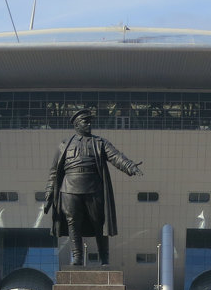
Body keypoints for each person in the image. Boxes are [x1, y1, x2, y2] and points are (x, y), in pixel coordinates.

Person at [43, 108, 143, 266]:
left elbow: (116, 156)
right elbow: (54, 171)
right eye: (85, 121)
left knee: (99, 223)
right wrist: (49, 192)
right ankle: (77, 256)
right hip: (69, 188)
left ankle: (104, 258)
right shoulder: (64, 145)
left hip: (93, 187)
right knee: (72, 222)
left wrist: (130, 166)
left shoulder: (99, 143)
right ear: (76, 124)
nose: (89, 124)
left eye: (90, 121)